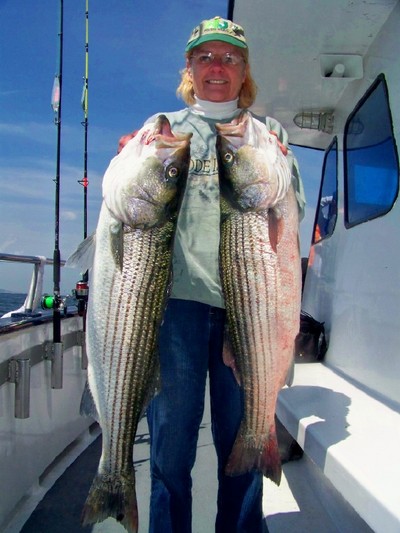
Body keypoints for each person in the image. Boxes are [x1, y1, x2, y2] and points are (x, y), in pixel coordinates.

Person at [119, 16, 305, 533]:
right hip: (173, 307)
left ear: (244, 70)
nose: (216, 67)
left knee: (244, 439)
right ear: (189, 68)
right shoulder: (162, 128)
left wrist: (284, 167)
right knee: (169, 451)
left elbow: (289, 212)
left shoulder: (269, 135)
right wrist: (129, 154)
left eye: (229, 58)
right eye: (205, 57)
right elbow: (132, 199)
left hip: (249, 309)